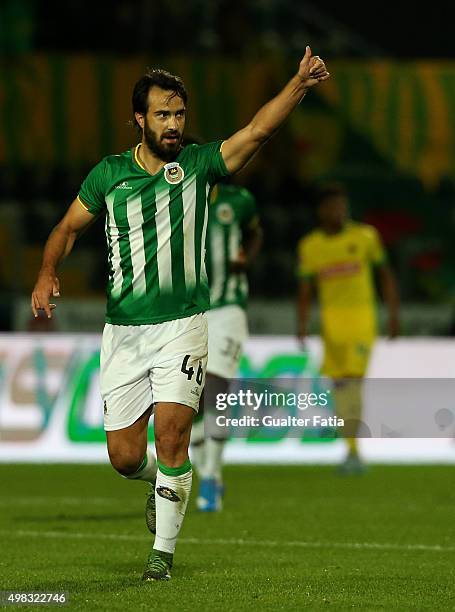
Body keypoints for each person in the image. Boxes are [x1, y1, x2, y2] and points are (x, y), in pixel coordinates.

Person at [31, 47, 330, 582]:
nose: (173, 125)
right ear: (139, 119)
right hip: (123, 332)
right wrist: (47, 269)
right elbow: (66, 228)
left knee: (173, 437)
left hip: (184, 326)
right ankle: (159, 483)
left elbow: (257, 132)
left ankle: (160, 559)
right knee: (125, 457)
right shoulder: (109, 176)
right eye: (163, 115)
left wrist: (299, 85)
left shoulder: (196, 167)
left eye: (180, 115)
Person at [297, 183, 400, 473]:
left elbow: (385, 275)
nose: (339, 211)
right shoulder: (310, 245)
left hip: (361, 323)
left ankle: (353, 451)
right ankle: (350, 448)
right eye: (332, 207)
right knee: (341, 385)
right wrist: (302, 324)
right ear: (321, 211)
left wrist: (393, 313)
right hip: (330, 326)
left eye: (342, 206)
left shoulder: (366, 237)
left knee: (352, 381)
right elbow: (305, 289)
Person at [191, 177, 262, 511]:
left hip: (228, 308)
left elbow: (255, 231)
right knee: (190, 394)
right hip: (188, 312)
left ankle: (209, 475)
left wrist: (246, 255)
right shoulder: (170, 201)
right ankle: (208, 474)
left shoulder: (238, 200)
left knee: (217, 387)